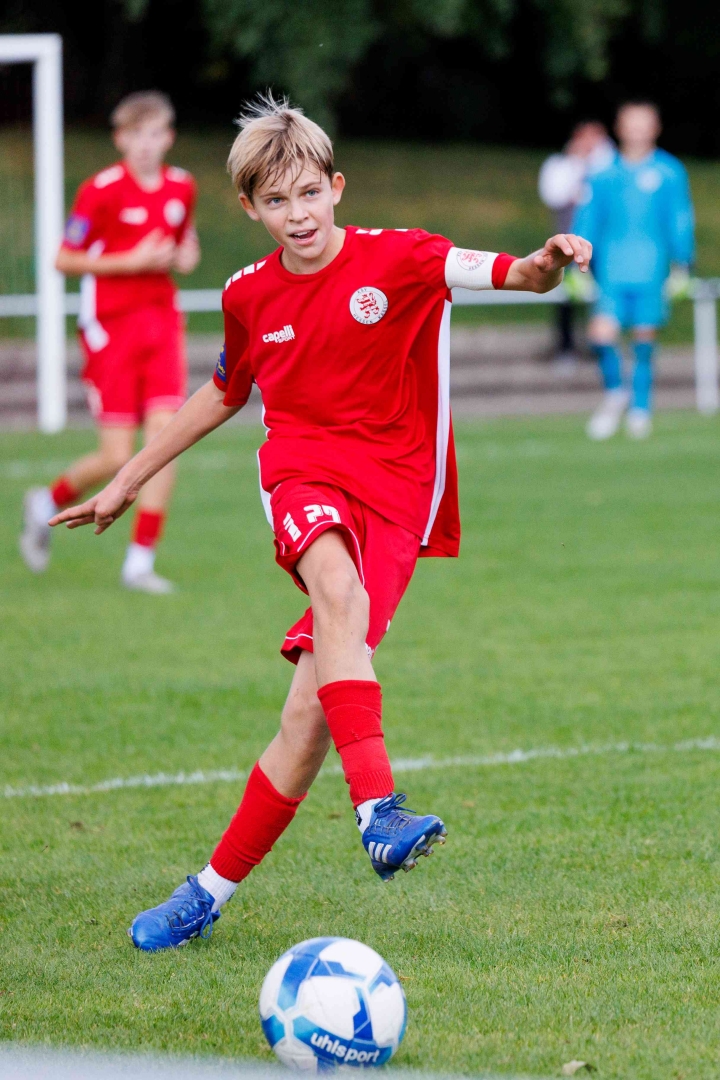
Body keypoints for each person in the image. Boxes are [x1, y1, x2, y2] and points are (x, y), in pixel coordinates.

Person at [50, 94, 592, 952]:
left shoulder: (404, 257)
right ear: (250, 207)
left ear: (336, 187)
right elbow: (223, 393)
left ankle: (205, 894)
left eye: (309, 193)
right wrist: (127, 478)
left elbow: (519, 275)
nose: (297, 214)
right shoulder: (248, 295)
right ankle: (378, 810)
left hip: (397, 497)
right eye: (276, 200)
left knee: (305, 724)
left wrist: (550, 260)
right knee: (335, 589)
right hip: (301, 472)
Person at [20, 90, 200, 592]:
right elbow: (63, 259)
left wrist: (185, 256)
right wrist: (129, 262)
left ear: (168, 137)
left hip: (162, 324)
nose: (145, 144)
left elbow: (184, 244)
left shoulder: (182, 187)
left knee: (165, 443)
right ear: (121, 139)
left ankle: (139, 562)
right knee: (117, 456)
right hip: (111, 330)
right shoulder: (99, 191)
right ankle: (46, 501)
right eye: (135, 135)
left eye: (154, 134)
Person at [573, 101, 695, 440]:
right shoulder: (603, 173)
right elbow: (588, 219)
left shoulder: (669, 171)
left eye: (644, 124)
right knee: (601, 335)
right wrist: (575, 264)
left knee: (644, 339)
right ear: (619, 127)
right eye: (631, 123)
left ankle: (641, 408)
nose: (638, 130)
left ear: (655, 128)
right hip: (611, 269)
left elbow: (680, 218)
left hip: (652, 269)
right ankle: (615, 393)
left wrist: (683, 263)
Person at [538, 121, 615, 366]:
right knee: (566, 297)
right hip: (567, 243)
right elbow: (554, 195)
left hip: (602, 244)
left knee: (603, 297)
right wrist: (578, 165)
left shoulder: (609, 168)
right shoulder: (560, 166)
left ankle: (600, 346)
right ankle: (565, 347)